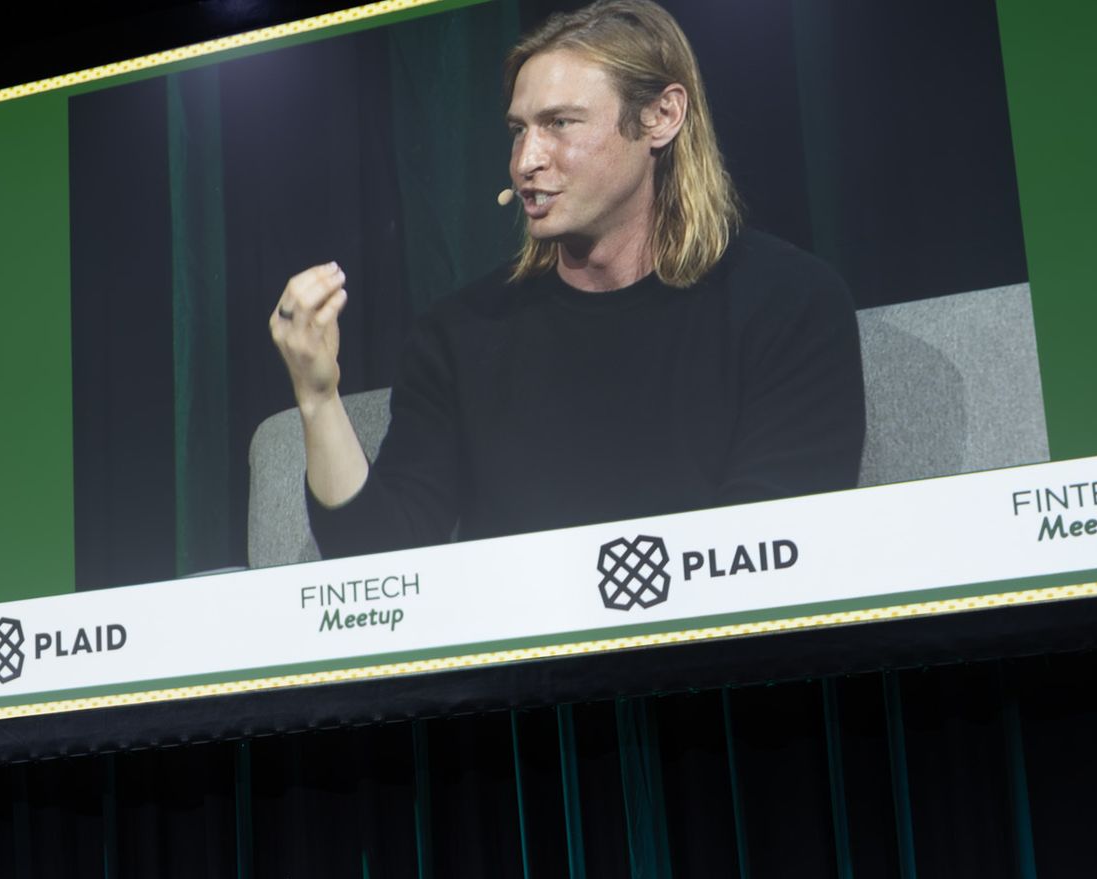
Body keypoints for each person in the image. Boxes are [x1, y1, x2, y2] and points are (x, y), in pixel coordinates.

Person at [269, 0, 864, 559]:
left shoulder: (787, 301)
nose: (526, 161)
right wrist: (318, 399)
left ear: (661, 117)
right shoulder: (460, 334)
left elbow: (775, 551)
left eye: (559, 123)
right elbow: (380, 560)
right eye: (518, 130)